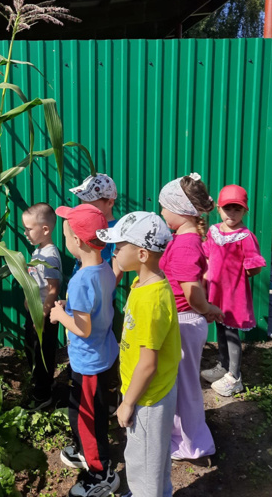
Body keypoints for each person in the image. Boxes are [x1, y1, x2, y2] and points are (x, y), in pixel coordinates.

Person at [97, 211, 181, 497]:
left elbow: (148, 364)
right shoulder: (142, 284)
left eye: (120, 247)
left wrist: (128, 403)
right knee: (153, 460)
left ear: (142, 254)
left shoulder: (151, 299)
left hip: (147, 396)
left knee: (142, 462)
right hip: (147, 391)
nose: (115, 251)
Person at [50, 203, 120, 497]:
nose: (65, 241)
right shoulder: (104, 270)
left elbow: (83, 328)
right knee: (97, 412)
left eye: (65, 236)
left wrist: (60, 315)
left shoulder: (80, 280)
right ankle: (89, 453)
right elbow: (94, 312)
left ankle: (100, 472)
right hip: (105, 355)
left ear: (76, 242)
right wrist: (73, 310)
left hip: (88, 362)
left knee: (86, 418)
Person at [159, 173, 223, 462]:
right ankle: (179, 435)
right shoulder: (183, 238)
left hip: (185, 320)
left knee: (186, 387)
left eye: (164, 207)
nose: (161, 212)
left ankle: (194, 443)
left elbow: (193, 293)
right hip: (182, 319)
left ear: (180, 210)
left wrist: (208, 308)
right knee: (179, 383)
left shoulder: (185, 245)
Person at [201, 185, 266, 396]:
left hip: (234, 295)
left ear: (245, 211)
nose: (232, 213)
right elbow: (207, 255)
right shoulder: (214, 232)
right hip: (216, 292)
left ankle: (235, 376)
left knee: (231, 332)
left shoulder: (245, 237)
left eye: (237, 209)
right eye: (227, 208)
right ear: (218, 209)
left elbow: (254, 266)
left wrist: (236, 279)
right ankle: (223, 365)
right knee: (220, 327)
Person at [22, 203, 62, 410]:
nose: (25, 232)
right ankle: (45, 384)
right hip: (35, 312)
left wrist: (43, 316)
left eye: (28, 228)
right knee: (31, 350)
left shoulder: (50, 256)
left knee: (42, 354)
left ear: (45, 229)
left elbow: (53, 289)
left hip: (43, 316)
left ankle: (43, 396)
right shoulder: (39, 251)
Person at [70, 173, 122, 283]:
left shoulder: (115, 231)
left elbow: (117, 272)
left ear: (110, 203)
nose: (87, 211)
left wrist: (104, 293)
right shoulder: (84, 222)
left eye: (92, 206)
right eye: (84, 205)